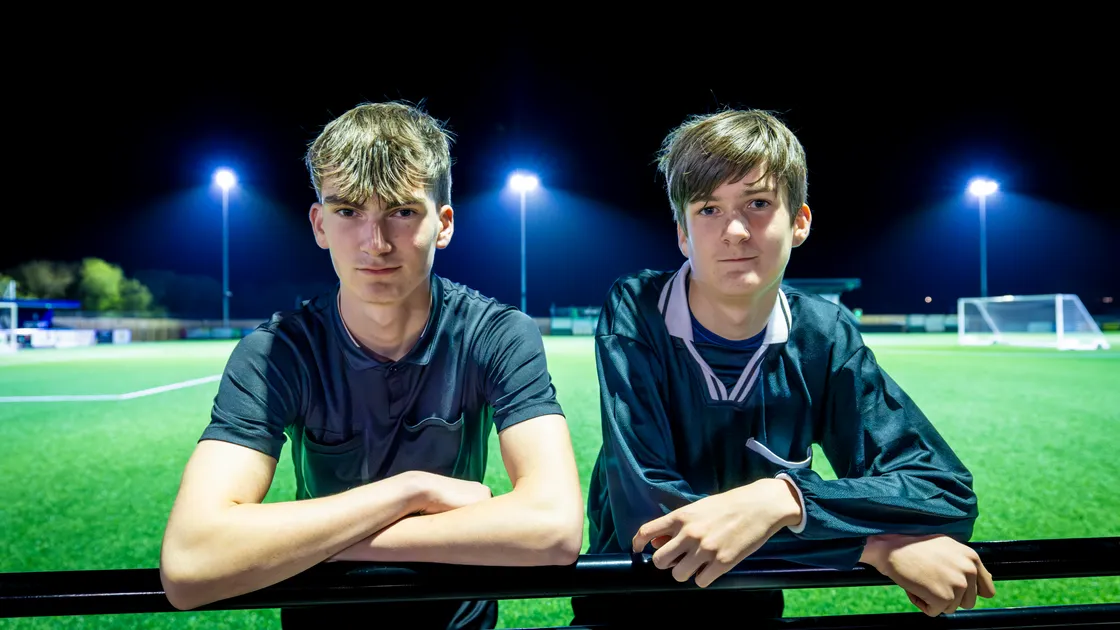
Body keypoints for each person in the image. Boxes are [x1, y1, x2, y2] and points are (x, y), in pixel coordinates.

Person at [159, 101, 584, 629]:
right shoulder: (276, 352)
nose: (375, 243)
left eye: (402, 212)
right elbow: (189, 563)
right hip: (323, 624)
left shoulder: (496, 334)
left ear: (443, 223)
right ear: (319, 224)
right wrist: (411, 491)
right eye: (348, 212)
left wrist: (315, 540)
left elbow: (555, 527)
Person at [573, 108, 995, 626]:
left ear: (799, 222)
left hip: (756, 612)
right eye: (707, 209)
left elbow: (944, 491)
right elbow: (656, 524)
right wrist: (869, 545)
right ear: (682, 234)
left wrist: (785, 498)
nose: (733, 230)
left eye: (757, 203)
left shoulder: (823, 334)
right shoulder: (636, 309)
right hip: (626, 614)